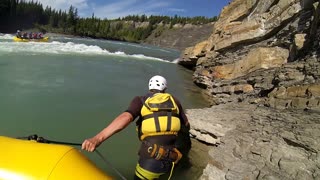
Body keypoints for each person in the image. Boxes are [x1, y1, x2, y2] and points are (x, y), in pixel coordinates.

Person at [82, 75, 190, 180]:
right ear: (165, 88)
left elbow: (126, 117)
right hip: (173, 160)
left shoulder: (141, 100)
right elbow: (186, 125)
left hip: (151, 162)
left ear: (149, 87)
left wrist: (97, 139)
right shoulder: (175, 101)